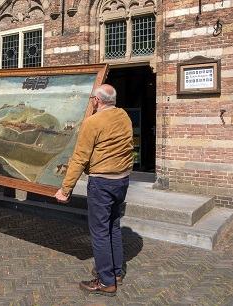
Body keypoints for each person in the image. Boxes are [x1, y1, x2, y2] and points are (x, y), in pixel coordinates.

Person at [55, 84, 133, 296]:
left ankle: (106, 281)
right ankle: (115, 271)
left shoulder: (93, 122)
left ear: (97, 101)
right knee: (113, 226)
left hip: (102, 182)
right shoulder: (123, 115)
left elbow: (80, 157)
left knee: (99, 231)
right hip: (122, 180)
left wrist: (66, 188)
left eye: (92, 98)